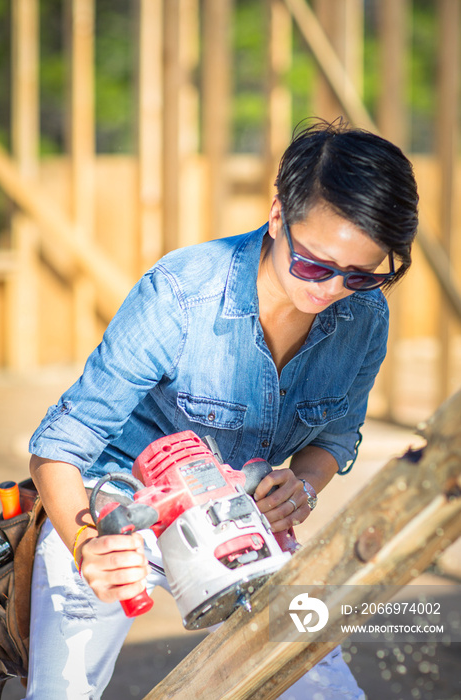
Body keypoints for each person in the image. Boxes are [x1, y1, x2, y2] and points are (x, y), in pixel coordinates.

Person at [27, 118, 418, 699]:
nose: (331, 290)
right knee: (61, 690)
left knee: (326, 690)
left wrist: (303, 486)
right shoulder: (182, 293)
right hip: (114, 505)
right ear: (278, 215)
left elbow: (334, 441)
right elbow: (58, 446)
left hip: (237, 512)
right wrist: (87, 546)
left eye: (363, 275)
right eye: (314, 264)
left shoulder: (366, 319)